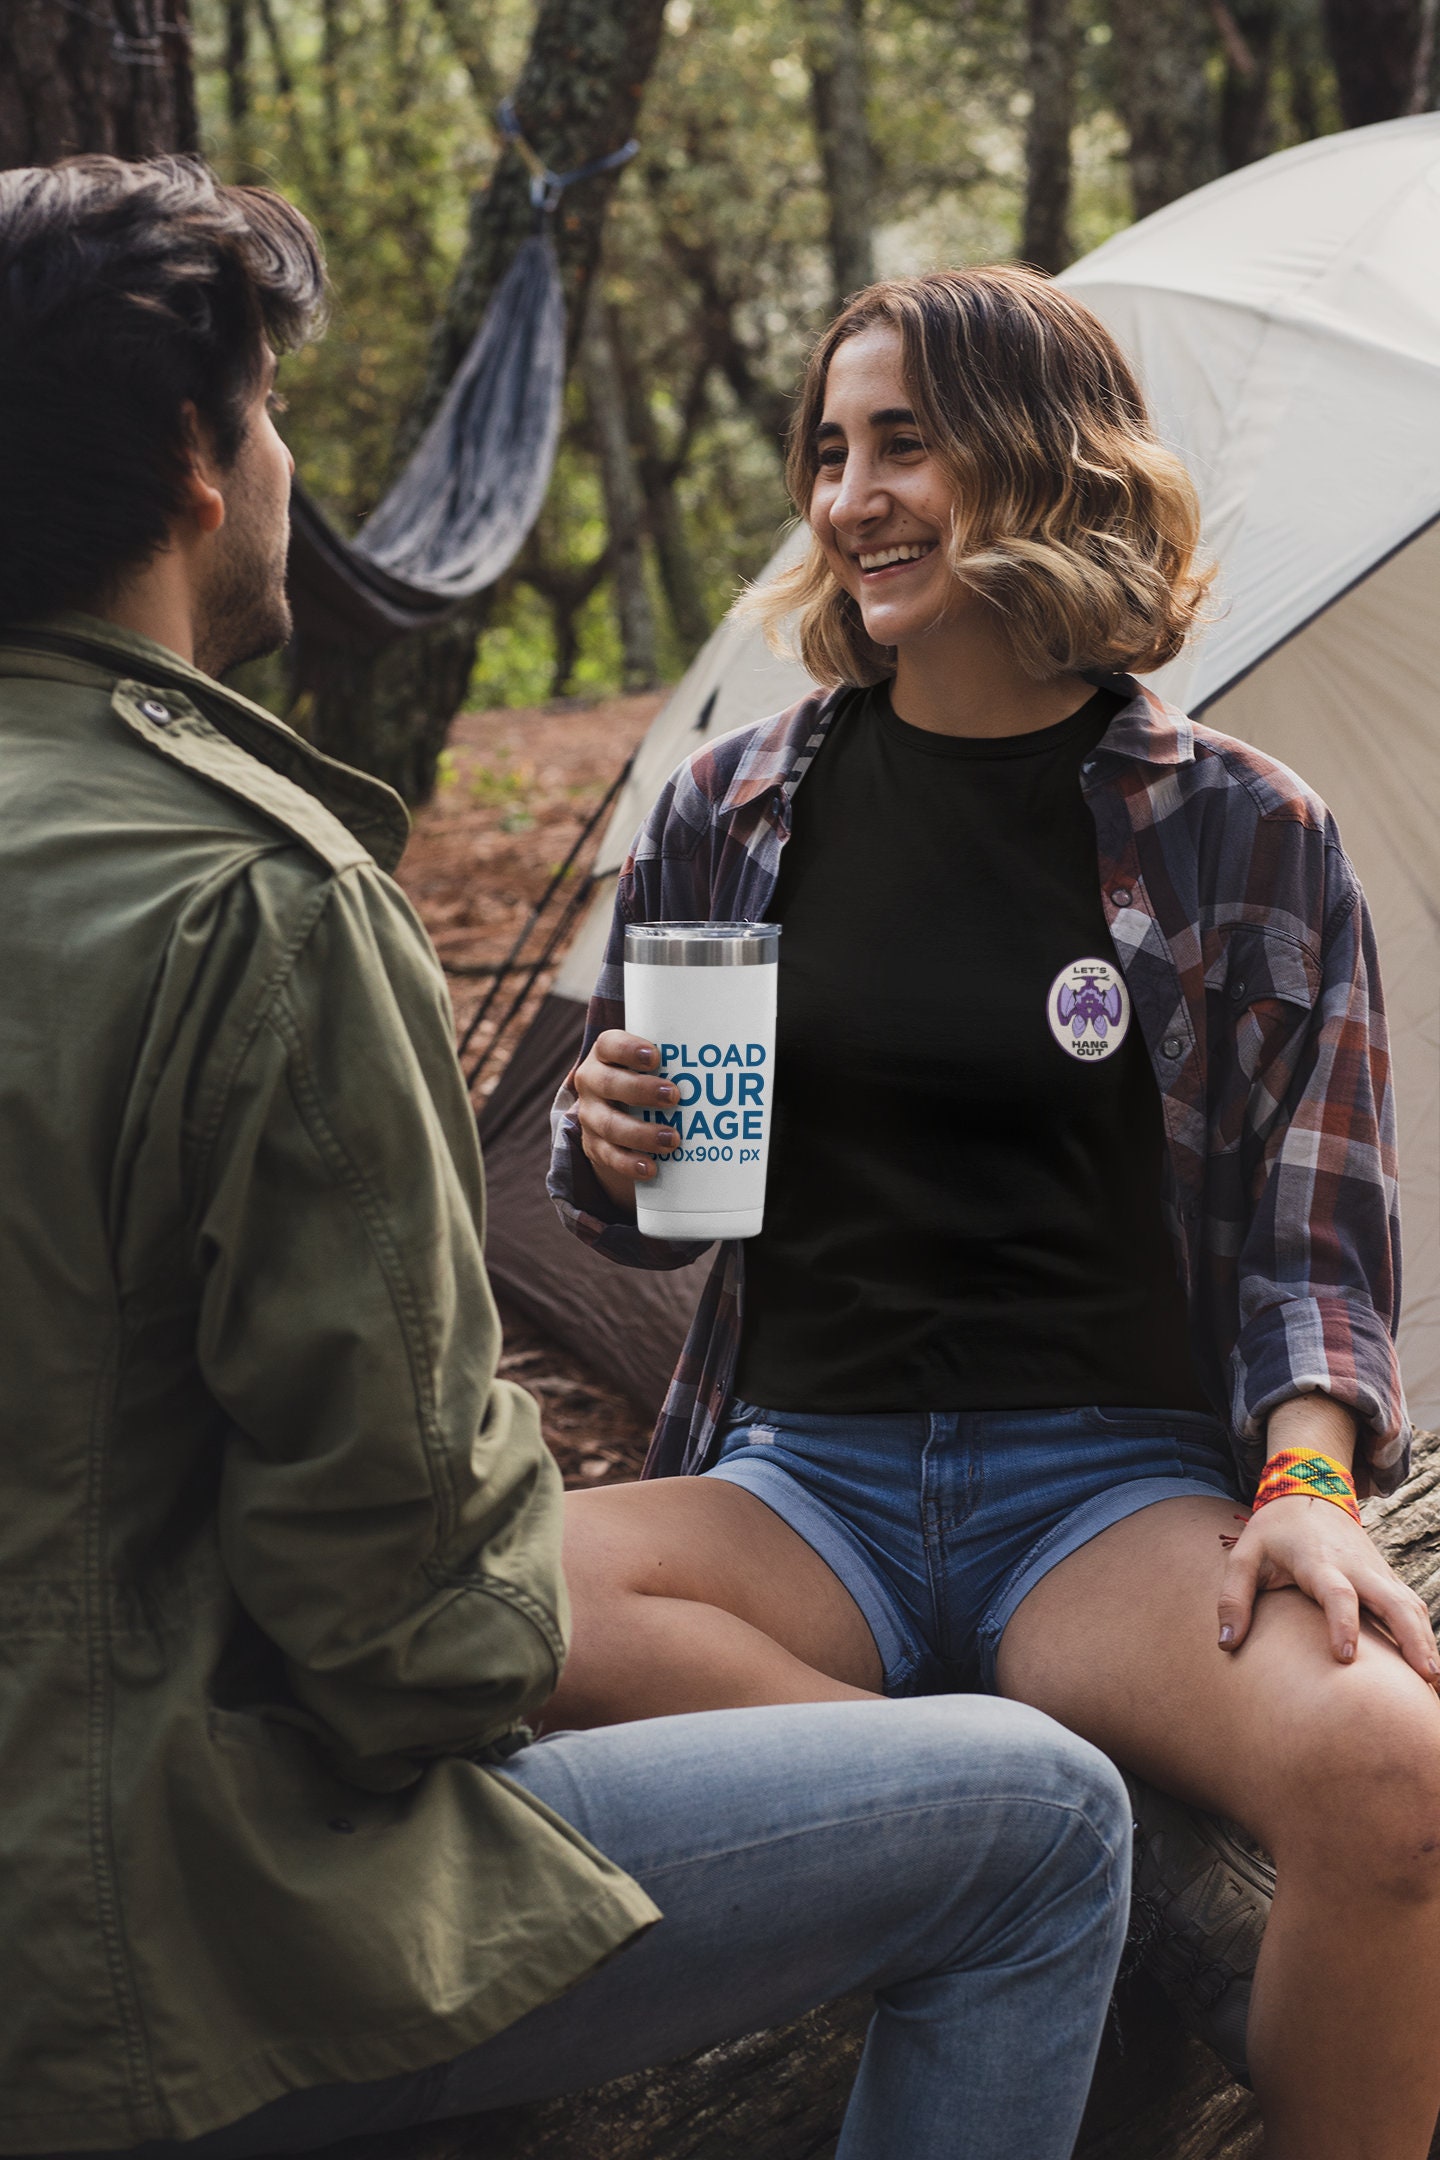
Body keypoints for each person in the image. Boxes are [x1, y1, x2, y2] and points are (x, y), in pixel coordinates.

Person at [0, 160, 1134, 2160]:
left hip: (1063, 1490)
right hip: (135, 1937)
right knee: (1047, 1821)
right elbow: (415, 1628)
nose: (283, 464)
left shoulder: (1213, 828)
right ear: (195, 458)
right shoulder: (252, 903)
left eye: (906, 447)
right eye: (269, 413)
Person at [550, 266, 1440, 2160]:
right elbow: (636, 1221)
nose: (846, 495)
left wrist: (1305, 1492)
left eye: (904, 443)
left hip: (1103, 1498)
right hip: (803, 1487)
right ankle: (1019, 1823)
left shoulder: (1239, 827)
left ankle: (1022, 1835)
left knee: (1397, 1781)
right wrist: (600, 1142)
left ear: (1042, 462)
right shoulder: (735, 807)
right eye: (829, 450)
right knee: (478, 1611)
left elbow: (1316, 1235)